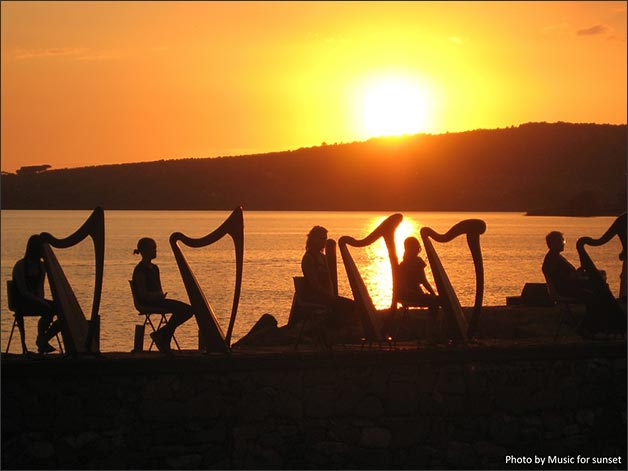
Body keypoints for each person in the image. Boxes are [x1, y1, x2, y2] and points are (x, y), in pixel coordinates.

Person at [132, 237, 194, 353]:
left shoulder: (155, 268)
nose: (155, 250)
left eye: (155, 248)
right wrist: (156, 296)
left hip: (158, 300)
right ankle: (163, 336)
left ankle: (162, 334)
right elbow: (143, 294)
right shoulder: (140, 270)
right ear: (144, 251)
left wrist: (160, 295)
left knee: (188, 310)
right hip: (147, 302)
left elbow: (158, 288)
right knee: (185, 310)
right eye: (152, 248)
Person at [12, 234, 61, 353]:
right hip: (22, 302)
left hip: (36, 300)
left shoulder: (41, 266)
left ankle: (42, 339)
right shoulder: (20, 266)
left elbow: (40, 288)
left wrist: (41, 300)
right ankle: (42, 341)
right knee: (48, 309)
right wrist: (41, 302)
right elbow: (23, 292)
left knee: (61, 311)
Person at [300, 226, 355, 327]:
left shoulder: (322, 257)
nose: (323, 242)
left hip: (325, 296)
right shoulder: (309, 258)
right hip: (315, 298)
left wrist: (331, 295)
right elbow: (314, 285)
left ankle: (338, 332)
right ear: (312, 239)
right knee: (349, 306)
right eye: (321, 239)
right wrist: (330, 296)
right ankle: (337, 332)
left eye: (325, 238)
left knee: (353, 305)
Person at [397, 236, 439, 338]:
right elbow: (402, 286)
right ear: (409, 248)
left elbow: (424, 281)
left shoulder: (418, 261)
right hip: (407, 295)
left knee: (438, 300)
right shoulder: (403, 265)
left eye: (417, 247)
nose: (417, 249)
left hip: (417, 293)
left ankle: (433, 330)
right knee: (433, 301)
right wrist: (429, 295)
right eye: (415, 247)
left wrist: (433, 293)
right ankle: (430, 333)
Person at [542, 231, 593, 300]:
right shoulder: (553, 259)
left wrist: (580, 272)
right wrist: (580, 274)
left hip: (568, 288)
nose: (563, 244)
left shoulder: (555, 257)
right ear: (552, 244)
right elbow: (566, 278)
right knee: (594, 293)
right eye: (560, 241)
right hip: (566, 291)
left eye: (563, 241)